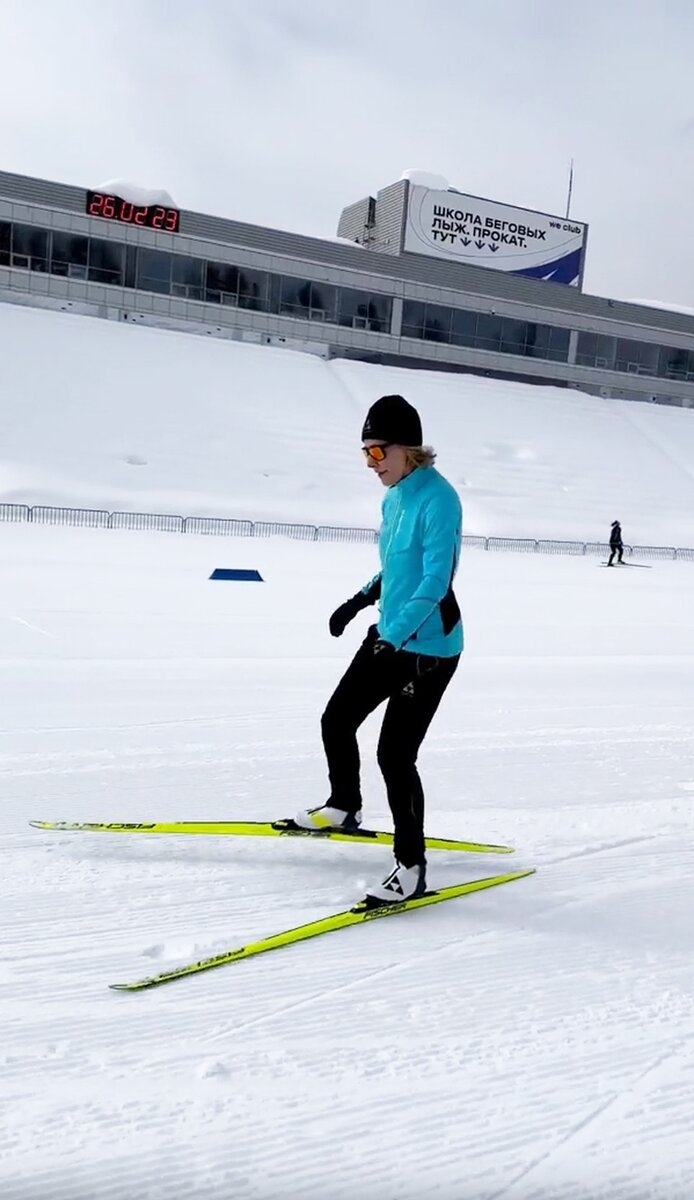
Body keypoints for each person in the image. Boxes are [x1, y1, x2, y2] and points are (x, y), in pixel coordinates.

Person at [295, 394, 463, 904]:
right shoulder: (393, 497)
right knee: (336, 719)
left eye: (376, 452)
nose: (371, 464)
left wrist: (394, 637)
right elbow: (397, 566)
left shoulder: (439, 499)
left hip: (429, 647)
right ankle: (344, 805)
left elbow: (434, 580)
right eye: (365, 453)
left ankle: (411, 867)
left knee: (395, 754)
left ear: (407, 448)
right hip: (390, 634)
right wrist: (359, 601)